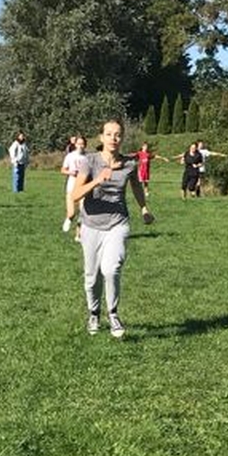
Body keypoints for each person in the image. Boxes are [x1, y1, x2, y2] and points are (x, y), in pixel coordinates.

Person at [70, 118, 153, 337]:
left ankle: (113, 314)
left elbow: (136, 187)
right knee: (92, 277)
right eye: (108, 134)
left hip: (118, 223)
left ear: (122, 137)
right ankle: (94, 313)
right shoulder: (89, 161)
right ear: (101, 137)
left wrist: (144, 208)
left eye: (117, 134)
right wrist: (98, 179)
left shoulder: (129, 163)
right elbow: (75, 195)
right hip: (91, 224)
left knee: (111, 269)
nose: (113, 138)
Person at [61, 133, 87, 235]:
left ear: (85, 145)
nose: (80, 146)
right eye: (78, 144)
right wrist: (70, 172)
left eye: (82, 144)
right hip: (71, 186)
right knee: (72, 213)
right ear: (75, 145)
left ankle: (78, 235)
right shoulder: (70, 156)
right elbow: (63, 170)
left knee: (83, 212)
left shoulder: (88, 157)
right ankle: (69, 218)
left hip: (84, 186)